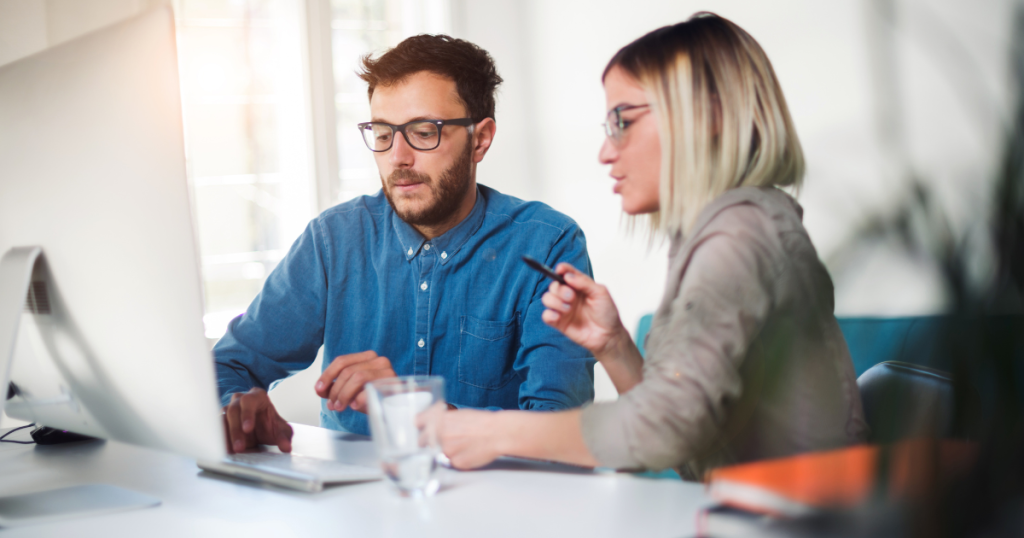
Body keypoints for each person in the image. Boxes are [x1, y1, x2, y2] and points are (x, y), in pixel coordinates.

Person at [438, 13, 869, 479]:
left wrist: (492, 433)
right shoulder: (730, 229)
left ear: (709, 115)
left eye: (623, 121)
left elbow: (665, 430)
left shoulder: (738, 239)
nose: (606, 152)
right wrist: (615, 345)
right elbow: (689, 436)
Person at [214, 35, 595, 454]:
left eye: (423, 132)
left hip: (493, 509)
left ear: (481, 139)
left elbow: (564, 434)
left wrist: (413, 407)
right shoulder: (334, 240)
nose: (398, 157)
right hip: (353, 508)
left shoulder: (547, 244)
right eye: (382, 133)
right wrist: (238, 409)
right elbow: (229, 364)